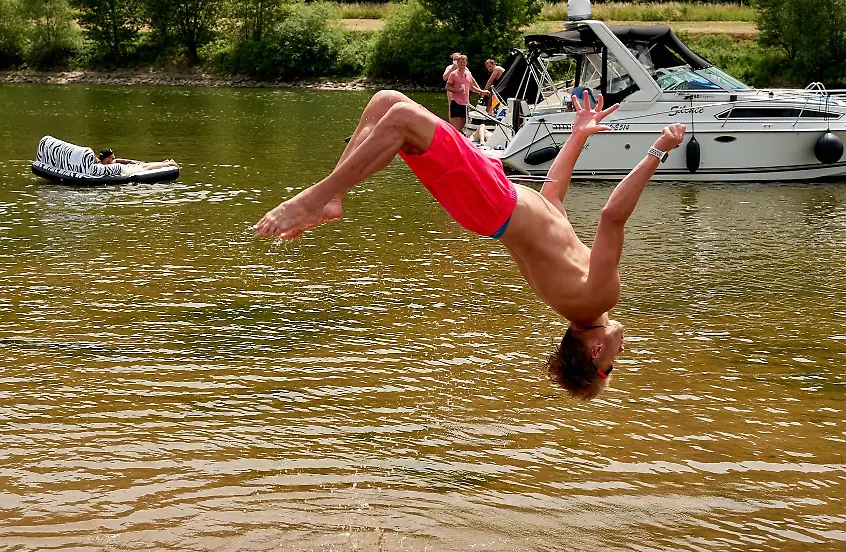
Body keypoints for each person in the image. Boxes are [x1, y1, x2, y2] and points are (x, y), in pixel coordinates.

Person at [252, 90, 685, 400]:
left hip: (490, 200)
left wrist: (657, 150)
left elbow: (612, 216)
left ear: (594, 353)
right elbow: (551, 198)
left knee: (401, 119)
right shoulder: (578, 296)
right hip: (493, 196)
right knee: (386, 103)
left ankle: (317, 197)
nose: (620, 354)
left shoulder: (598, 296)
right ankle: (332, 197)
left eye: (611, 366)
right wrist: (578, 137)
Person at [445, 54, 488, 133]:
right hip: (456, 102)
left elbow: (471, 87)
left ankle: (458, 137)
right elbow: (447, 87)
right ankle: (454, 140)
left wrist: (482, 91)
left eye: (463, 62)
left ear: (466, 63)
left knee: (464, 123)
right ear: (457, 63)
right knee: (456, 125)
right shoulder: (453, 74)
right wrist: (457, 90)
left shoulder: (468, 74)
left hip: (465, 103)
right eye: (460, 62)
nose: (462, 63)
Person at [94, 148, 178, 177]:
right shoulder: (99, 165)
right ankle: (165, 163)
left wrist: (137, 162)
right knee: (144, 168)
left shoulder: (109, 163)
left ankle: (166, 163)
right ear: (107, 158)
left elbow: (126, 161)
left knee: (143, 166)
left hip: (127, 169)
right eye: (112, 157)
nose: (114, 159)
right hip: (126, 170)